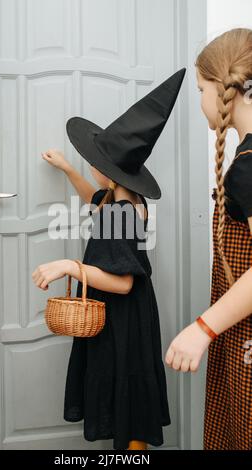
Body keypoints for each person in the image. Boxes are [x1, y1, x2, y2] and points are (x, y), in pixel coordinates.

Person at [32, 69, 186, 450]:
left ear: (110, 172)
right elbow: (94, 201)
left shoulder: (122, 212)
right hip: (132, 315)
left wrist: (70, 267)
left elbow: (122, 281)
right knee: (130, 397)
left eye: (92, 161)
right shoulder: (125, 201)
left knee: (127, 401)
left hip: (121, 317)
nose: (90, 165)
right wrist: (68, 170)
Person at [165, 28, 252, 450]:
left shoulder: (247, 167)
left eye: (201, 89)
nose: (200, 100)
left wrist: (201, 329)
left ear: (225, 89)